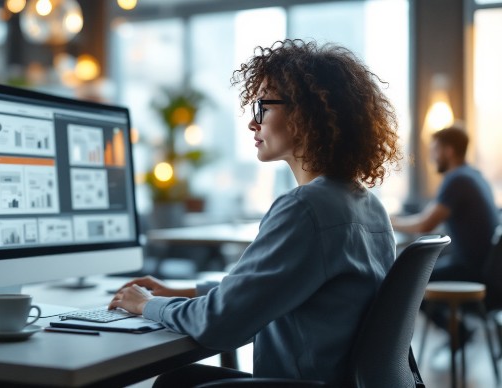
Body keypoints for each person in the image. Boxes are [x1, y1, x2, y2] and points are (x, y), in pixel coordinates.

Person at [109, 39, 402, 386]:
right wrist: (181, 292)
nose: (253, 122)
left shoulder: (305, 208)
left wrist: (144, 305)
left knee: (176, 383)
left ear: (306, 116)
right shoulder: (367, 205)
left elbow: (220, 326)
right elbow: (263, 288)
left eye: (263, 106)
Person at [391, 126, 499, 337]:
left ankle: (459, 334)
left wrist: (388, 221)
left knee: (407, 282)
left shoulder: (456, 180)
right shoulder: (475, 176)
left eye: (435, 150)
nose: (432, 157)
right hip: (488, 271)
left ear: (448, 151)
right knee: (416, 276)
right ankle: (459, 333)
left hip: (472, 272)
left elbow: (424, 224)